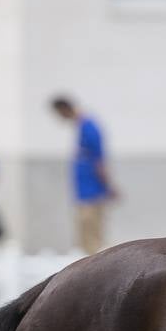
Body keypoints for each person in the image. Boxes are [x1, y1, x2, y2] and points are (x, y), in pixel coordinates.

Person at [50, 96, 117, 254]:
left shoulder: (89, 127)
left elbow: (99, 160)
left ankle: (96, 271)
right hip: (84, 192)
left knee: (92, 235)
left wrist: (109, 185)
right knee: (85, 236)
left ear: (64, 109)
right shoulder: (81, 128)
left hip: (92, 192)